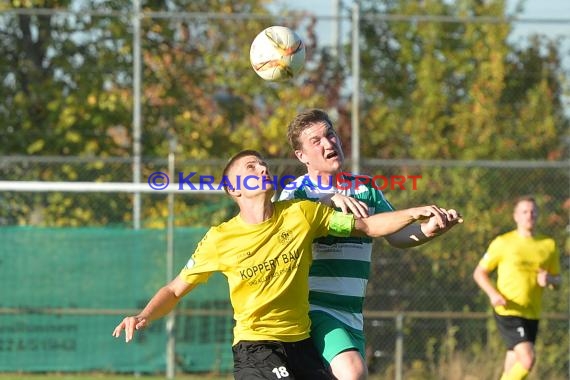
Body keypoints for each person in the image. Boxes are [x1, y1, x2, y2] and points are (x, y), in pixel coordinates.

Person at [112, 149, 462, 380]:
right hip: (256, 348)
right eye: (251, 167)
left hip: (300, 344)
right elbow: (175, 288)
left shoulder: (301, 214)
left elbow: (369, 226)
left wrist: (414, 212)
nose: (262, 168)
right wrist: (144, 314)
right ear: (234, 188)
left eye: (262, 164)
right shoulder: (220, 238)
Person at [279, 108, 463, 380]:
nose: (329, 143)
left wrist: (429, 229)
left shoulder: (365, 187)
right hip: (312, 309)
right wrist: (327, 202)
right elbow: (285, 235)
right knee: (352, 373)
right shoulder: (295, 192)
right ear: (301, 156)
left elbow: (394, 235)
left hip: (351, 313)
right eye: (316, 141)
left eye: (330, 135)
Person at [473, 196, 560, 380]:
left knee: (513, 363)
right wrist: (493, 294)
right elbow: (479, 273)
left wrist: (549, 279)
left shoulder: (548, 244)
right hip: (508, 310)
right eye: (524, 211)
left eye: (533, 211)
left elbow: (558, 280)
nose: (529, 215)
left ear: (538, 215)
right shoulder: (503, 242)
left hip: (532, 313)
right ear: (515, 216)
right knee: (528, 359)